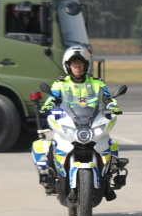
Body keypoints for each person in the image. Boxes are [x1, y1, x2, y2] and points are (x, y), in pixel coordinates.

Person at [40, 46, 125, 192]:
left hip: (92, 120)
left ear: (86, 65)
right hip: (69, 120)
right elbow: (52, 98)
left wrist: (113, 105)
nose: (77, 66)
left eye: (80, 63)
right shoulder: (61, 84)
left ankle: (112, 173)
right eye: (74, 63)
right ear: (68, 65)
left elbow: (107, 98)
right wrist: (48, 105)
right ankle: (50, 175)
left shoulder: (97, 83)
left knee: (108, 141)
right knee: (55, 142)